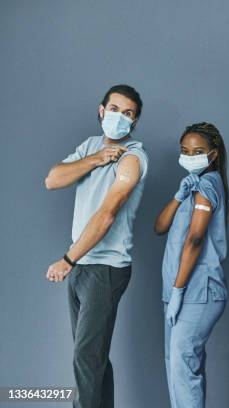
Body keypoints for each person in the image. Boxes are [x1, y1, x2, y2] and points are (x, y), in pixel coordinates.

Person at [44, 84, 148, 408]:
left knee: (87, 358)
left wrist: (67, 259)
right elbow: (53, 179)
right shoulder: (91, 147)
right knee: (93, 358)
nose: (120, 117)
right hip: (82, 265)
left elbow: (107, 215)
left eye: (128, 114)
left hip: (104, 268)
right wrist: (96, 158)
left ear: (134, 122)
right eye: (115, 109)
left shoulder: (133, 158)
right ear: (102, 111)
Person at [154, 122, 229, 407]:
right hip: (178, 290)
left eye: (198, 151)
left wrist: (178, 290)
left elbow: (195, 240)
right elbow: (159, 227)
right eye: (185, 150)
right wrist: (177, 196)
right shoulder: (191, 187)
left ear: (213, 154)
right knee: (177, 368)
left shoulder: (209, 185)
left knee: (183, 369)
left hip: (197, 291)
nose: (190, 155)